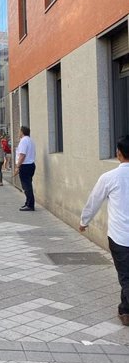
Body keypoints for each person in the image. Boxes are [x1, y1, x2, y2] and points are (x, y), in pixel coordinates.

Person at [79, 136, 129, 326]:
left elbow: (94, 201)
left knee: (126, 276)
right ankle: (125, 310)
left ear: (118, 154)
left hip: (120, 237)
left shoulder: (109, 177)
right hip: (120, 236)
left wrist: (84, 221)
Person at [14, 125, 36, 211]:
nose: (18, 133)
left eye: (19, 131)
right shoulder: (30, 140)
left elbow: (22, 155)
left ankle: (30, 205)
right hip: (31, 165)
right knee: (28, 185)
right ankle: (28, 203)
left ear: (22, 132)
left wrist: (17, 166)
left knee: (26, 186)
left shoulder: (23, 141)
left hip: (25, 165)